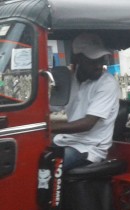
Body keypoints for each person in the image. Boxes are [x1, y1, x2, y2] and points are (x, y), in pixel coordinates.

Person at [51, 33, 121, 171]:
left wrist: (49, 129)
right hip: (64, 140)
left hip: (89, 148)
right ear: (78, 59)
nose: (99, 65)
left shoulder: (107, 83)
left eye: (102, 60)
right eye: (92, 61)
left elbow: (88, 123)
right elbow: (51, 107)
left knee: (47, 166)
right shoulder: (69, 80)